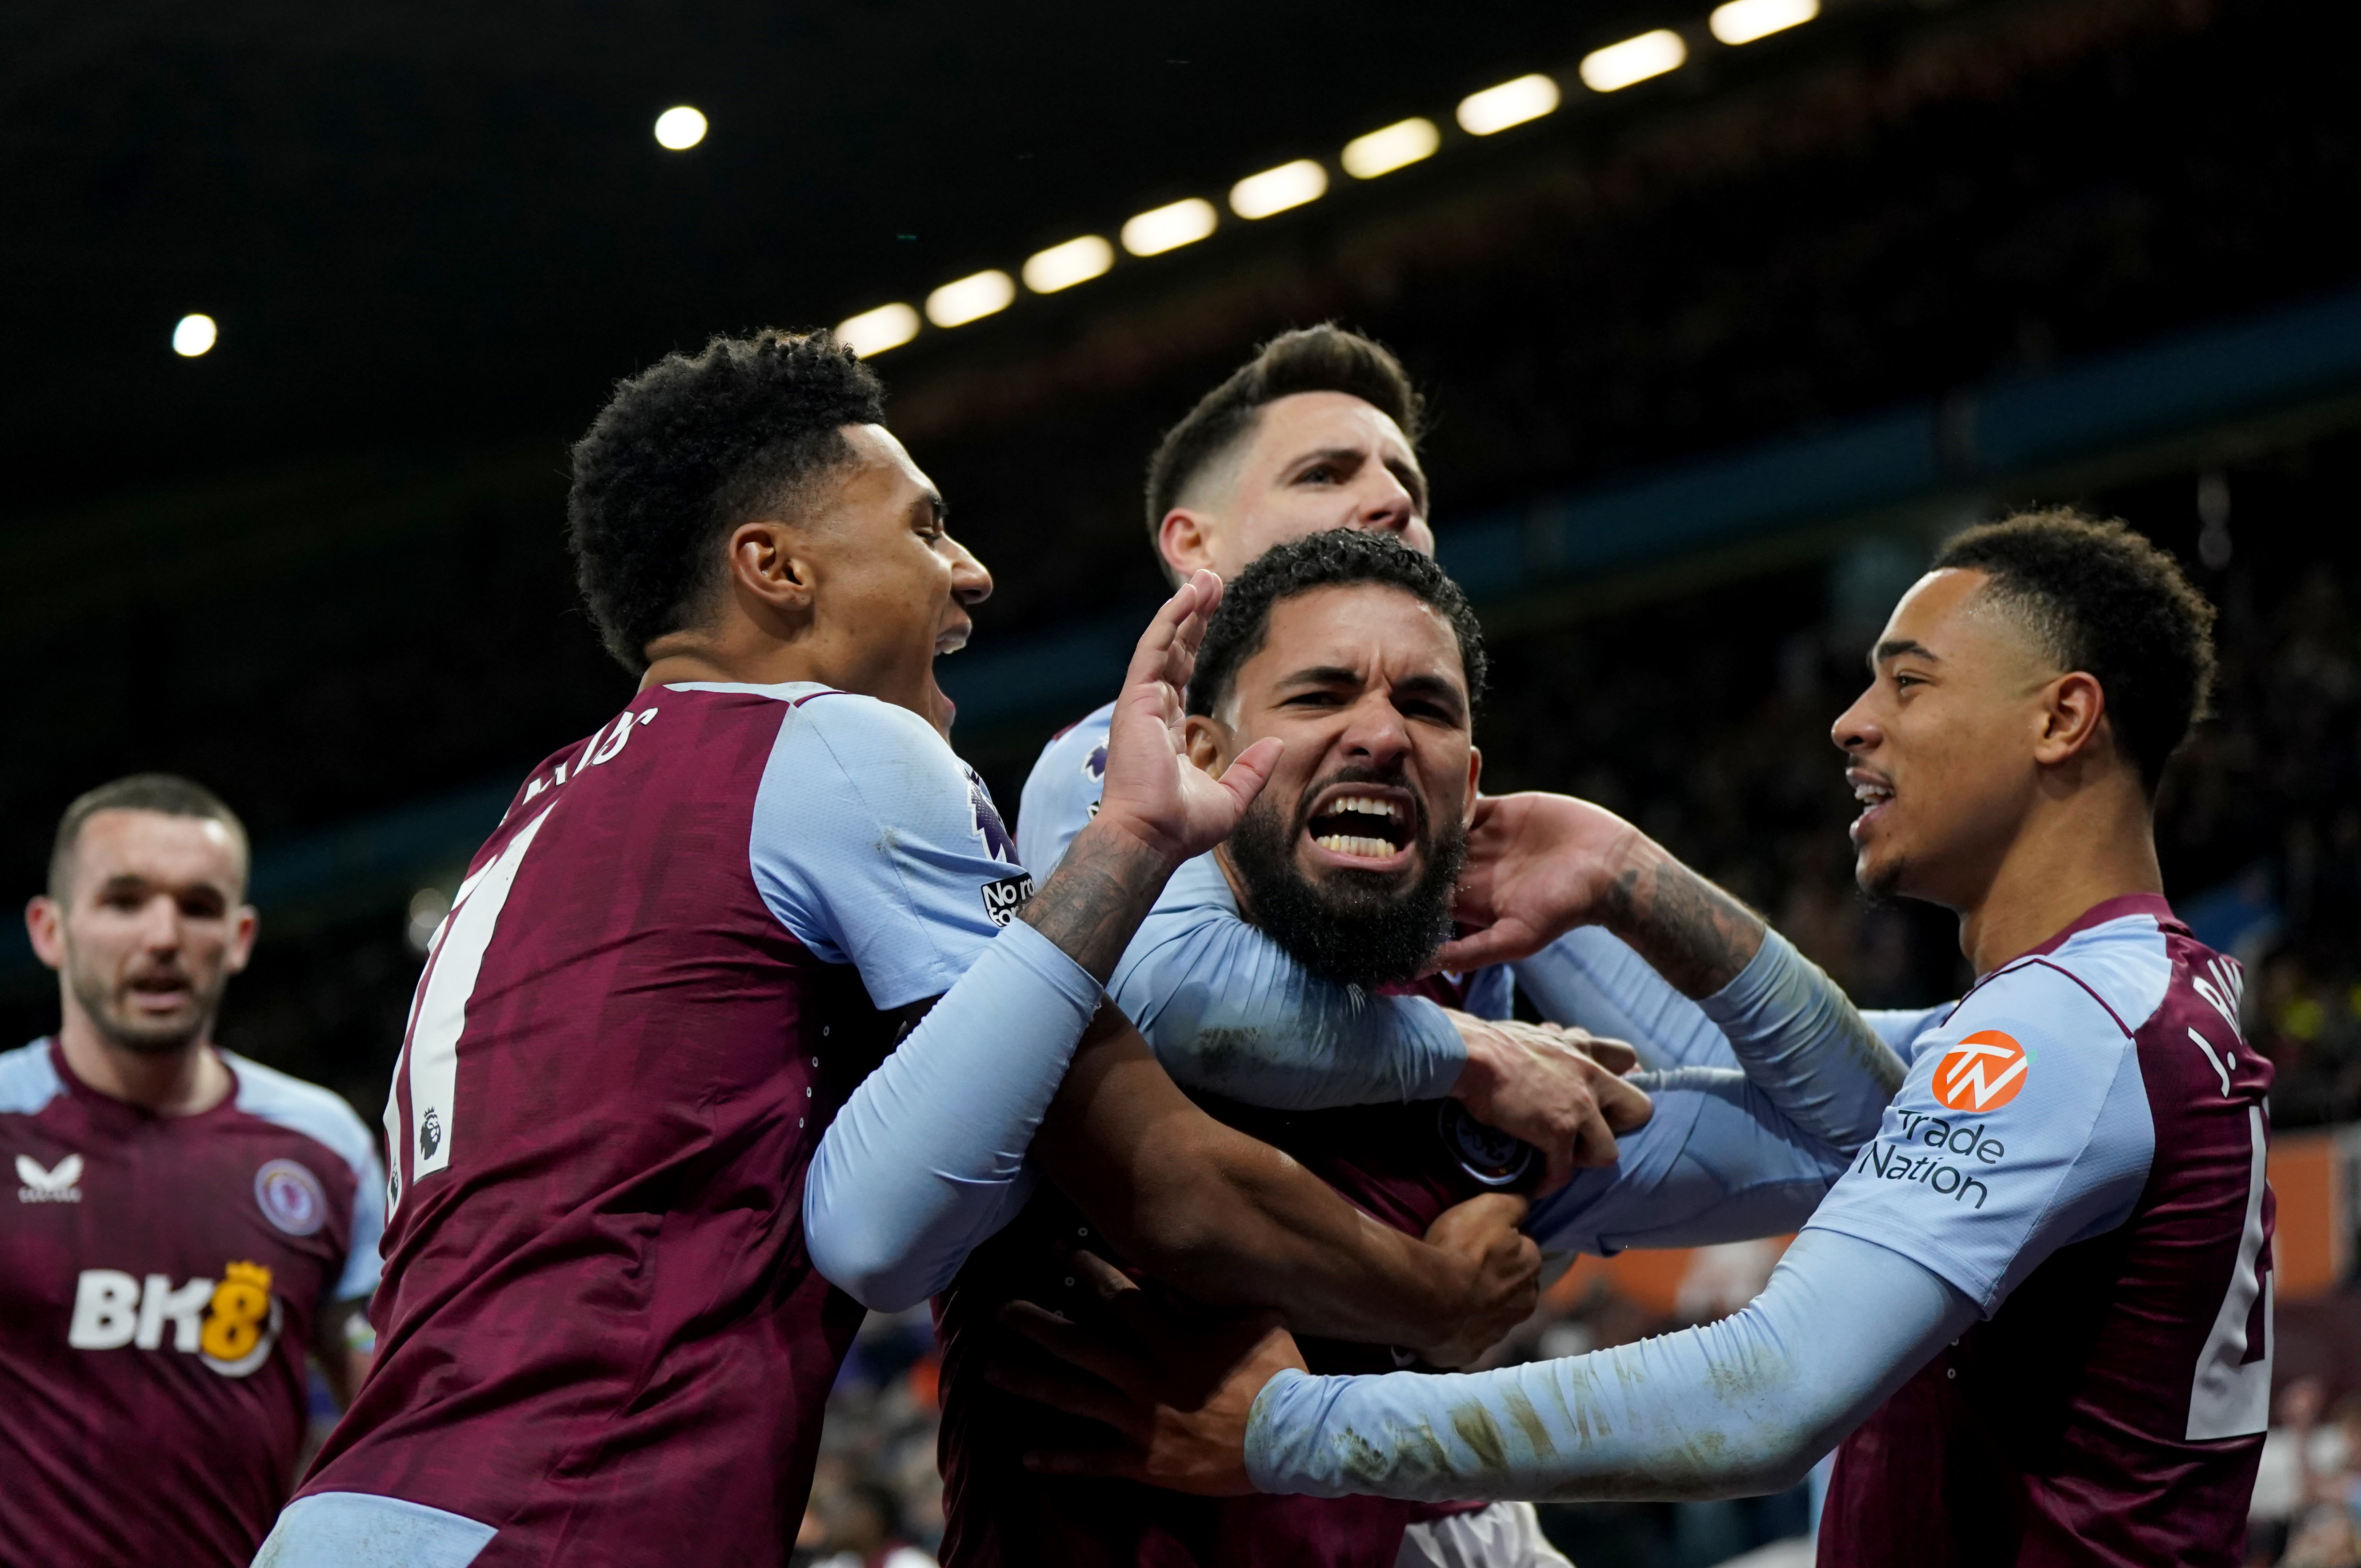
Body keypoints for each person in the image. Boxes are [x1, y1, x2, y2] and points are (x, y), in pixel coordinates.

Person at [260, 329, 1540, 1568]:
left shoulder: (532, 817)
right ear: (776, 568)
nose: (972, 570)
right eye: (926, 526)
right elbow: (1126, 1186)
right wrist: (1434, 1297)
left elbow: (877, 1213)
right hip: (571, 1518)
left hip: (361, 1509)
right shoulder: (839, 744)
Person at [1008, 509, 2272, 1568]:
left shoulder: (2068, 1027)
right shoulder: (2125, 1006)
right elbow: (1172, 1042)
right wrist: (1611, 896)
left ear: (2060, 721)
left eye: (1908, 679)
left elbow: (1775, 1379)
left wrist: (1293, 1425)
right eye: (1326, 687)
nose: (1851, 720)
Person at [954, 530, 1905, 1567]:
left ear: (1471, 779)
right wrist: (1435, 1297)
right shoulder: (1078, 970)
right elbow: (1183, 1181)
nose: (1380, 735)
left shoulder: (1506, 1108)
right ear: (1202, 757)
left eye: (1425, 706)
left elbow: (1865, 1146)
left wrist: (1631, 874)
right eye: (1319, 697)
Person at [1016, 324, 1910, 1181]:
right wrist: (1479, 1057)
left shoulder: (1445, 842)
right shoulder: (1117, 754)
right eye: (1325, 473)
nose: (1395, 500)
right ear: (1193, 545)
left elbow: (1816, 1116)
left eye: (1410, 483)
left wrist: (1631, 873)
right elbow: (1183, 1000)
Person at [1, 773, 383, 1568]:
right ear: (50, 930)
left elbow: (387, 1421)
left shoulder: (324, 1146)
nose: (165, 936)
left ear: (241, 937)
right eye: (125, 901)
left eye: (199, 906)